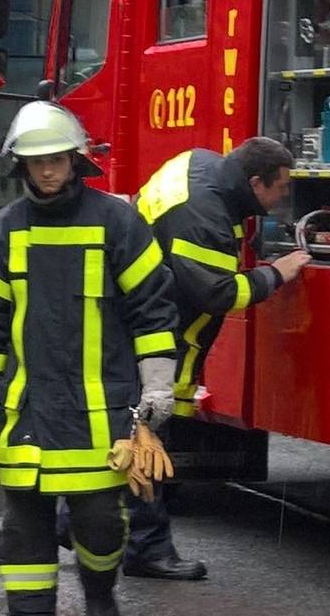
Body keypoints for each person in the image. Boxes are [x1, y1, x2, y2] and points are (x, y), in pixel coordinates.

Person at [0, 102, 178, 616]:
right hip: (26, 405)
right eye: (37, 162)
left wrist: (158, 384)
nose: (48, 171)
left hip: (98, 407)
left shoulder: (117, 221)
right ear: (21, 166)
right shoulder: (2, 230)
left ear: (76, 160)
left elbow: (152, 309)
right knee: (24, 526)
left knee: (100, 520)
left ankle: (100, 589)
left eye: (56, 159)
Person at [119, 138, 310, 580]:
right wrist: (274, 274)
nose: (285, 196)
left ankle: (74, 525)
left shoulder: (205, 171)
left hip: (145, 325)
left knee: (133, 436)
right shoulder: (202, 214)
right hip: (155, 338)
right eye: (279, 187)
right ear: (255, 182)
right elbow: (216, 292)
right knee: (145, 442)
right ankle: (145, 549)